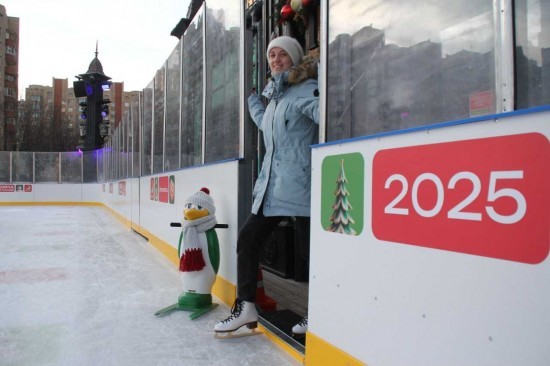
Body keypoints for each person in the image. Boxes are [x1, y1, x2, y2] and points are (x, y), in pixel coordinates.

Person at [214, 36, 319, 336]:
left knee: (309, 254)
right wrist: (252, 103)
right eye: (272, 55)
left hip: (301, 184)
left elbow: (322, 113)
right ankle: (246, 305)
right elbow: (267, 125)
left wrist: (326, 83)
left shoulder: (304, 90)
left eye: (283, 54)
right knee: (248, 240)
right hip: (274, 187)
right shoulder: (277, 97)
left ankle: (319, 313)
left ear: (295, 59)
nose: (276, 60)